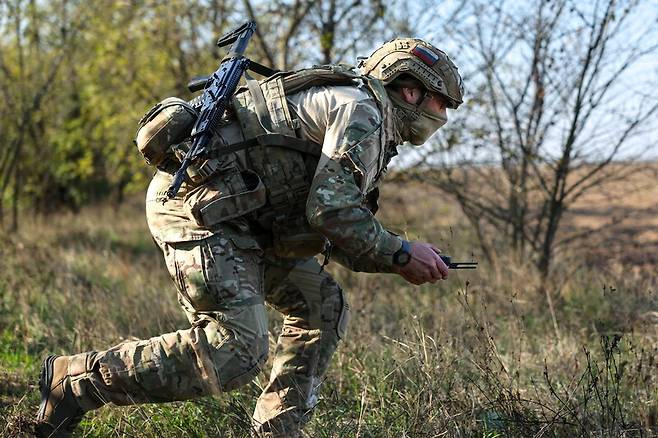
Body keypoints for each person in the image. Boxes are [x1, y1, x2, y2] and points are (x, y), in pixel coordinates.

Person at [35, 38, 463, 438]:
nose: (442, 117)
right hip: (196, 209)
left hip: (246, 222)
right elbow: (331, 213)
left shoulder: (362, 109)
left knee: (321, 306)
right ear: (410, 91)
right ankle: (75, 382)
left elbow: (331, 227)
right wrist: (402, 252)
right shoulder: (363, 113)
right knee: (235, 350)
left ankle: (276, 429)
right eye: (441, 104)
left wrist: (398, 257)